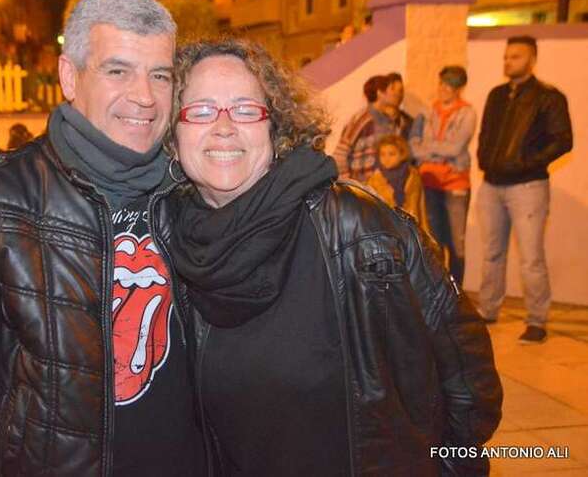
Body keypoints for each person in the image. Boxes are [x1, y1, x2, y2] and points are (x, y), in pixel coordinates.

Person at [164, 38, 502, 476]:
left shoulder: (358, 227)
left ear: (276, 126)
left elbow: (468, 373)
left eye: (246, 109)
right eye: (201, 110)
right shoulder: (168, 243)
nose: (224, 127)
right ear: (173, 134)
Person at [0, 0, 206, 475]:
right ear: (70, 76)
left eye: (160, 75)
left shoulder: (193, 190)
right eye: (118, 71)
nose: (145, 97)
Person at [476, 35, 573, 344]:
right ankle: (488, 309)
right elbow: (485, 134)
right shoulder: (496, 95)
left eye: (515, 56)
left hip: (528, 187)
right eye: (506, 56)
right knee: (492, 253)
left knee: (531, 258)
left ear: (532, 59)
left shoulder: (549, 97)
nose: (508, 61)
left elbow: (563, 140)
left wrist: (525, 164)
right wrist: (484, 159)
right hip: (491, 185)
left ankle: (536, 321)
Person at [411, 65, 476, 286]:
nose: (443, 89)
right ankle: (438, 292)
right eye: (441, 84)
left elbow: (455, 148)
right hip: (430, 182)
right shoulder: (427, 111)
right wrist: (436, 150)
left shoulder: (467, 113)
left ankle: (456, 292)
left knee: (456, 244)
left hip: (455, 184)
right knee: (434, 241)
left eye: (449, 86)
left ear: (459, 89)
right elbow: (414, 147)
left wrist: (428, 149)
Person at [333, 73, 412, 181]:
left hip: (381, 185)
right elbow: (340, 154)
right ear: (380, 93)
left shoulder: (395, 121)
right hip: (361, 185)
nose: (397, 94)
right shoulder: (362, 119)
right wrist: (348, 183)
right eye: (391, 89)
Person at [367, 134, 431, 234]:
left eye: (392, 154)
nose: (386, 159)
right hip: (386, 231)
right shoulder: (375, 180)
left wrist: (424, 233)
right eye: (382, 154)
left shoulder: (413, 177)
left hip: (411, 230)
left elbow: (420, 208)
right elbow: (371, 211)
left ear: (402, 155)